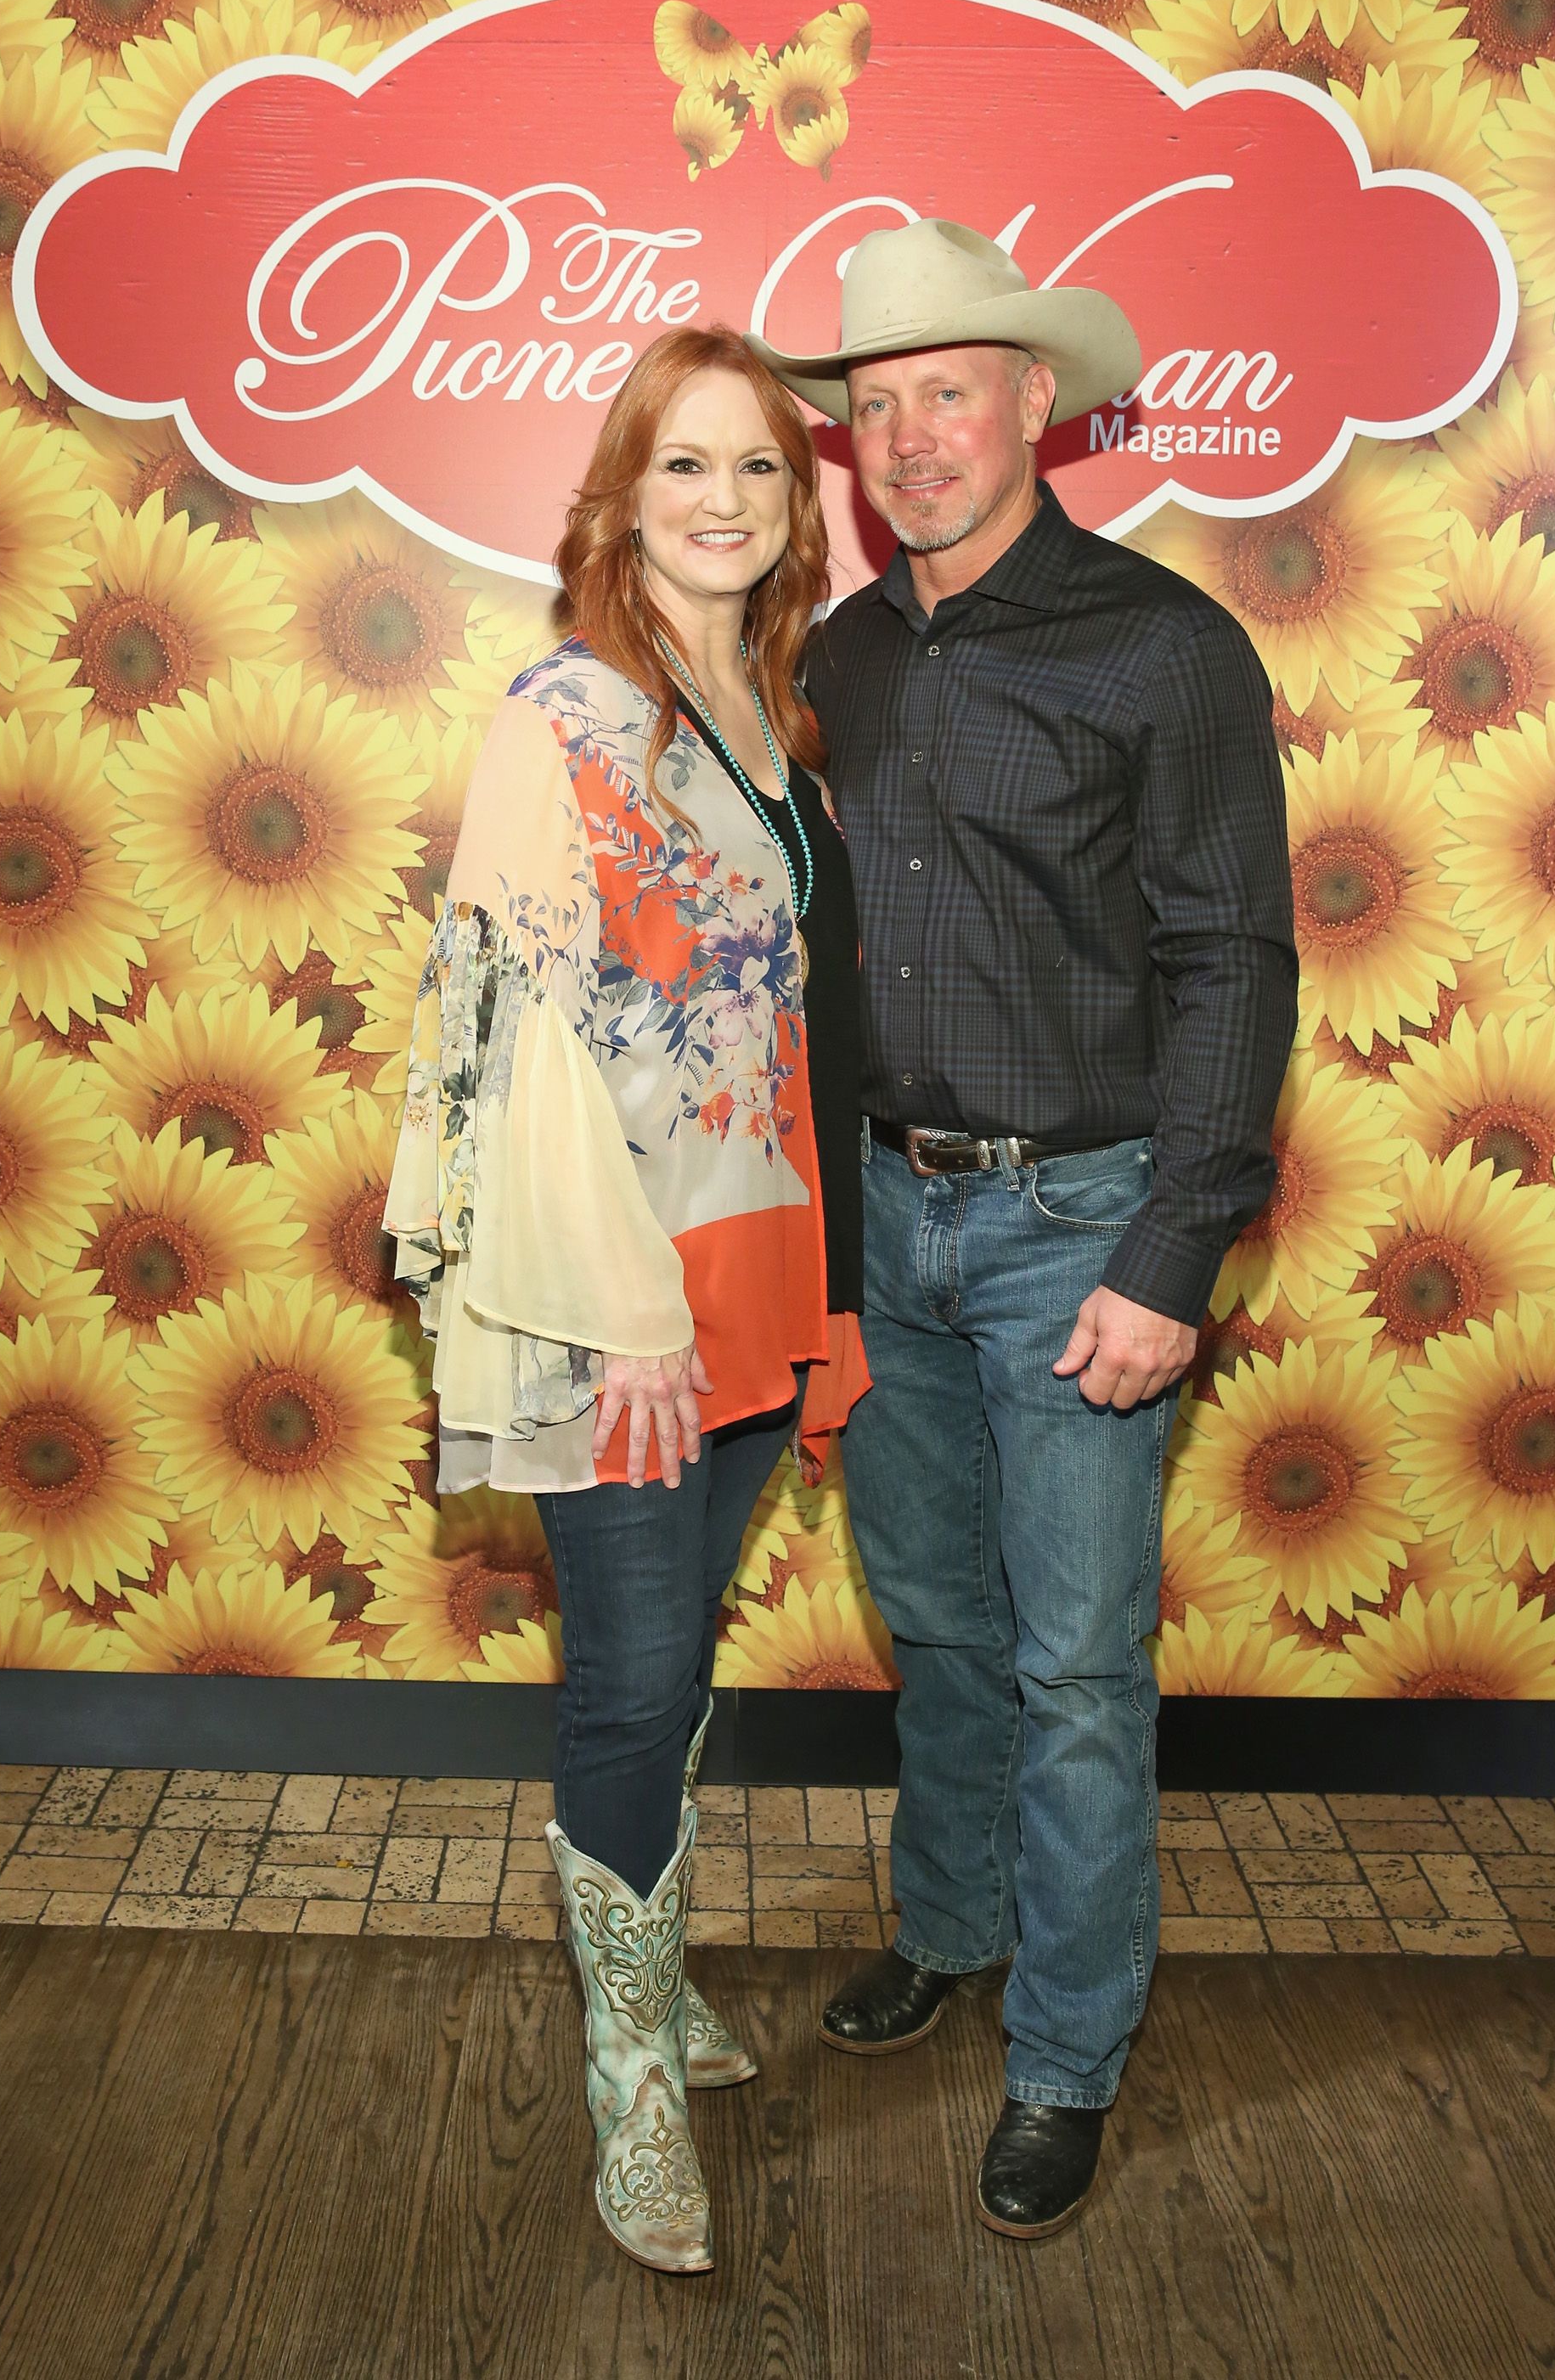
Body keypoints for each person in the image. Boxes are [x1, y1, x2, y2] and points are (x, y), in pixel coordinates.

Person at [749, 221, 1299, 2238]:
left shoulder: (1161, 646)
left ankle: (1067, 2054)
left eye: (943, 393)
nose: (904, 437)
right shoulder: (841, 657)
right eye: (871, 406)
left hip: (1084, 1227)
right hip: (886, 1223)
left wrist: (1169, 1261)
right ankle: (955, 1930)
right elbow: (806, 972)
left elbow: (1234, 966)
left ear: (1032, 404)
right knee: (949, 1630)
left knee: (1078, 1667)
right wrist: (809, 1260)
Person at [383, 325, 867, 2277]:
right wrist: (624, 1325)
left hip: (761, 1267)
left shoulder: (772, 710)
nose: (726, 502)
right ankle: (626, 2092)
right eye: (685, 467)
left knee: (675, 1676)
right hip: (625, 1304)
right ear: (618, 497)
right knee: (633, 1683)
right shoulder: (563, 721)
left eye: (760, 468)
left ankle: (657, 1996)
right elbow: (518, 1057)